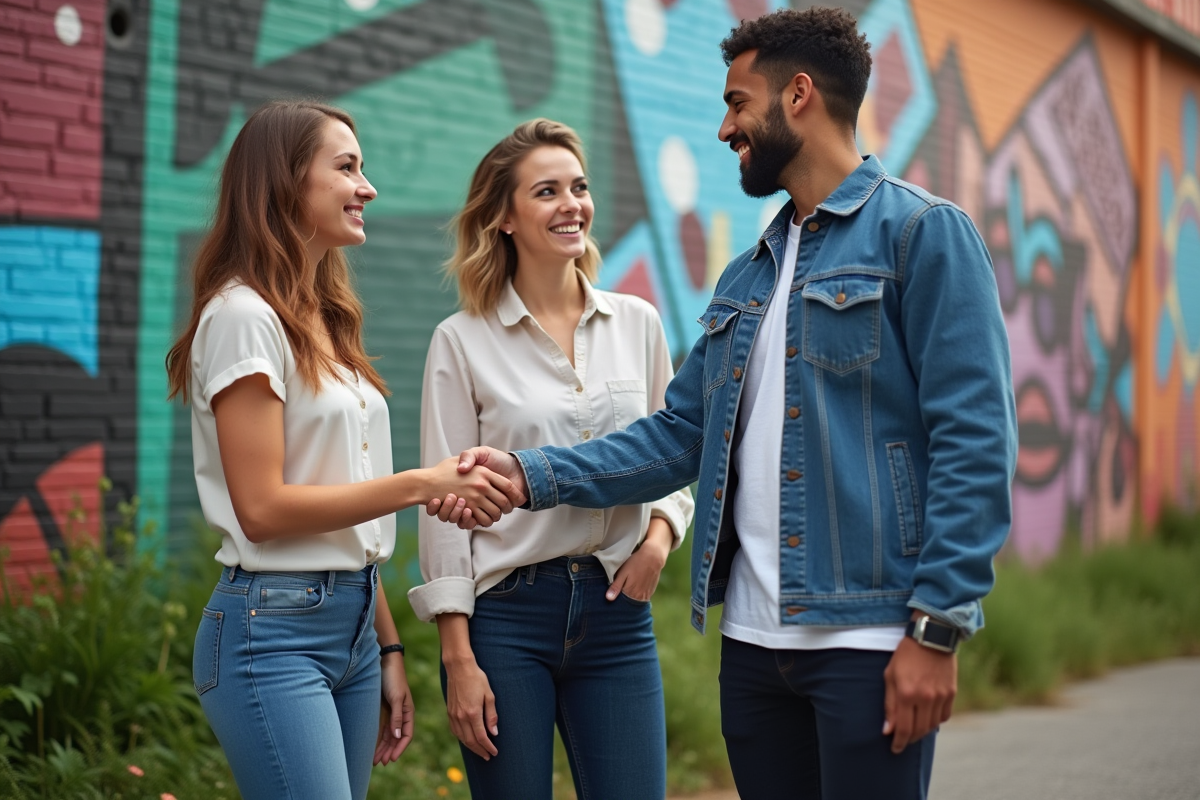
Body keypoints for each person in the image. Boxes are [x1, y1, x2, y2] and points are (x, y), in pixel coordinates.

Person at [443, 9, 1017, 800]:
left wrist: (937, 627)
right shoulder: (748, 276)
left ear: (800, 96)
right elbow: (678, 436)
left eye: (738, 103)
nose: (723, 128)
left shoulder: (922, 235)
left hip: (867, 637)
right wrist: (528, 472)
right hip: (752, 650)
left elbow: (975, 442)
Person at [164, 100, 523, 800]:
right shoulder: (242, 317)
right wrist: (421, 484)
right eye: (348, 168)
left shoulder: (321, 317)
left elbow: (345, 517)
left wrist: (384, 644)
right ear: (285, 181)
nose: (369, 187)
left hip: (352, 625)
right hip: (270, 633)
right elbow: (263, 510)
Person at [409, 118, 694, 800]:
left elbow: (675, 449)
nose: (572, 204)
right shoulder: (461, 341)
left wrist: (659, 537)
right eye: (547, 191)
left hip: (617, 612)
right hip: (506, 619)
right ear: (504, 217)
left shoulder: (638, 324)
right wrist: (458, 657)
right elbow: (445, 508)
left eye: (580, 186)